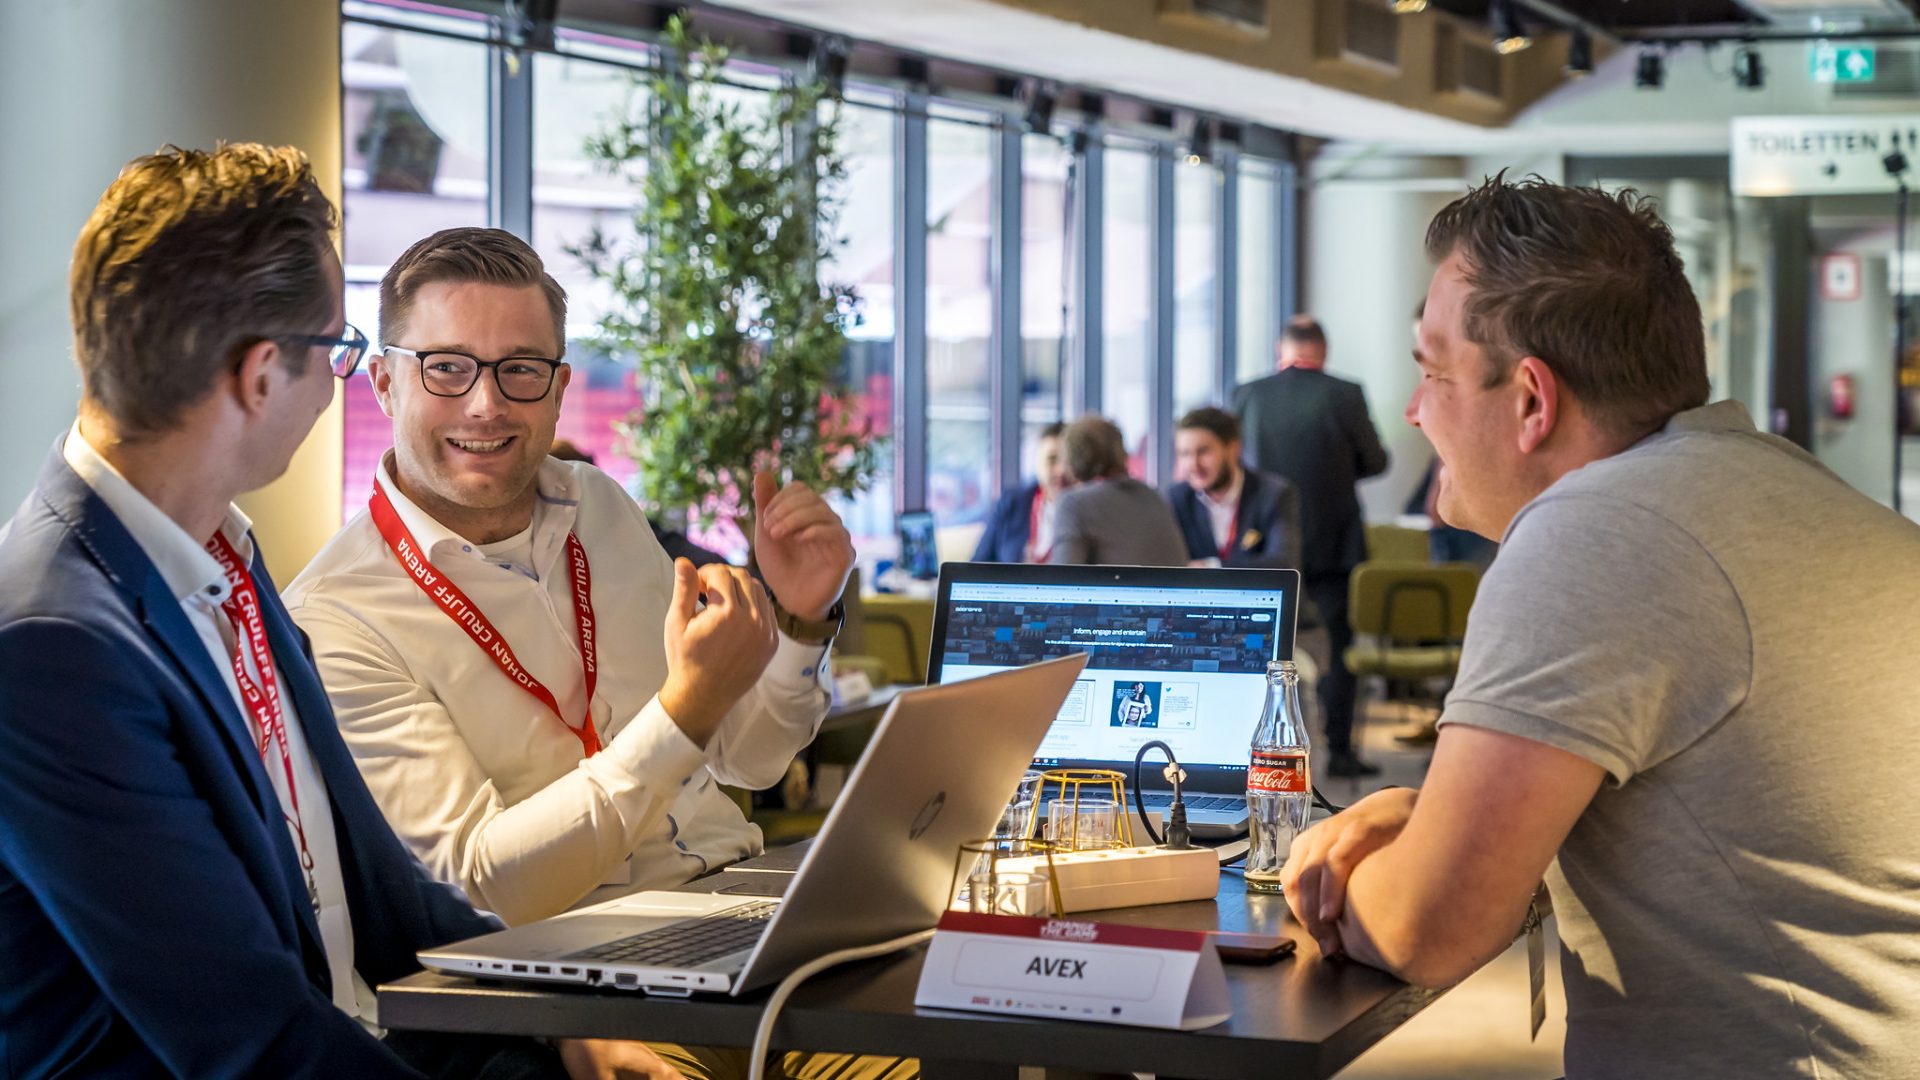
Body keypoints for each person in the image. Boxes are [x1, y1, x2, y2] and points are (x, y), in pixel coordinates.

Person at [0, 144, 655, 1080]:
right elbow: (248, 1037)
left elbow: (383, 886)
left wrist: (559, 1022)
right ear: (262, 376)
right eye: (338, 350)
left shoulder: (223, 554)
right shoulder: (50, 645)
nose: (340, 381)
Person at [1281, 175, 1920, 1078]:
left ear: (1533, 402)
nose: (1416, 411)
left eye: (1432, 371)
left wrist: (1321, 864)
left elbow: (1429, 928)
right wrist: (1434, 821)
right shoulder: (1768, 486)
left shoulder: (1598, 530)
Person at [285, 228, 901, 1080]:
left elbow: (751, 760)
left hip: (754, 925)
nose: (486, 404)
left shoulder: (601, 507)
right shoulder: (337, 614)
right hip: (595, 993)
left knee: (1005, 1046)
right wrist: (680, 716)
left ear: (560, 387)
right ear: (384, 380)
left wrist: (797, 625)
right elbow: (475, 888)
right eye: (446, 367)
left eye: (520, 369)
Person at [1231, 317, 1388, 777]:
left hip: (1264, 543)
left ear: (1281, 349)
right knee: (1340, 646)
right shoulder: (1345, 393)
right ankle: (1339, 752)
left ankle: (1255, 754)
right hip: (1333, 540)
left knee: (1265, 648)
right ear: (1323, 350)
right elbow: (1376, 459)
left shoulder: (1247, 394)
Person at [1165, 406, 1301, 571]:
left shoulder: (1273, 494)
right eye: (1185, 454)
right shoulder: (1177, 498)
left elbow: (1283, 563)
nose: (1194, 464)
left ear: (1233, 448)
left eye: (1203, 451)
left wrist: (1211, 567)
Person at [1048, 415, 1188, 566]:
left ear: (1071, 461)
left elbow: (1063, 580)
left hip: (1118, 590)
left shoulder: (1074, 504)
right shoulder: (1152, 496)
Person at [972, 421, 1071, 562]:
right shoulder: (1012, 503)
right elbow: (977, 565)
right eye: (1052, 459)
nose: (1061, 470)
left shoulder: (1088, 512)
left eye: (1068, 462)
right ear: (1037, 462)